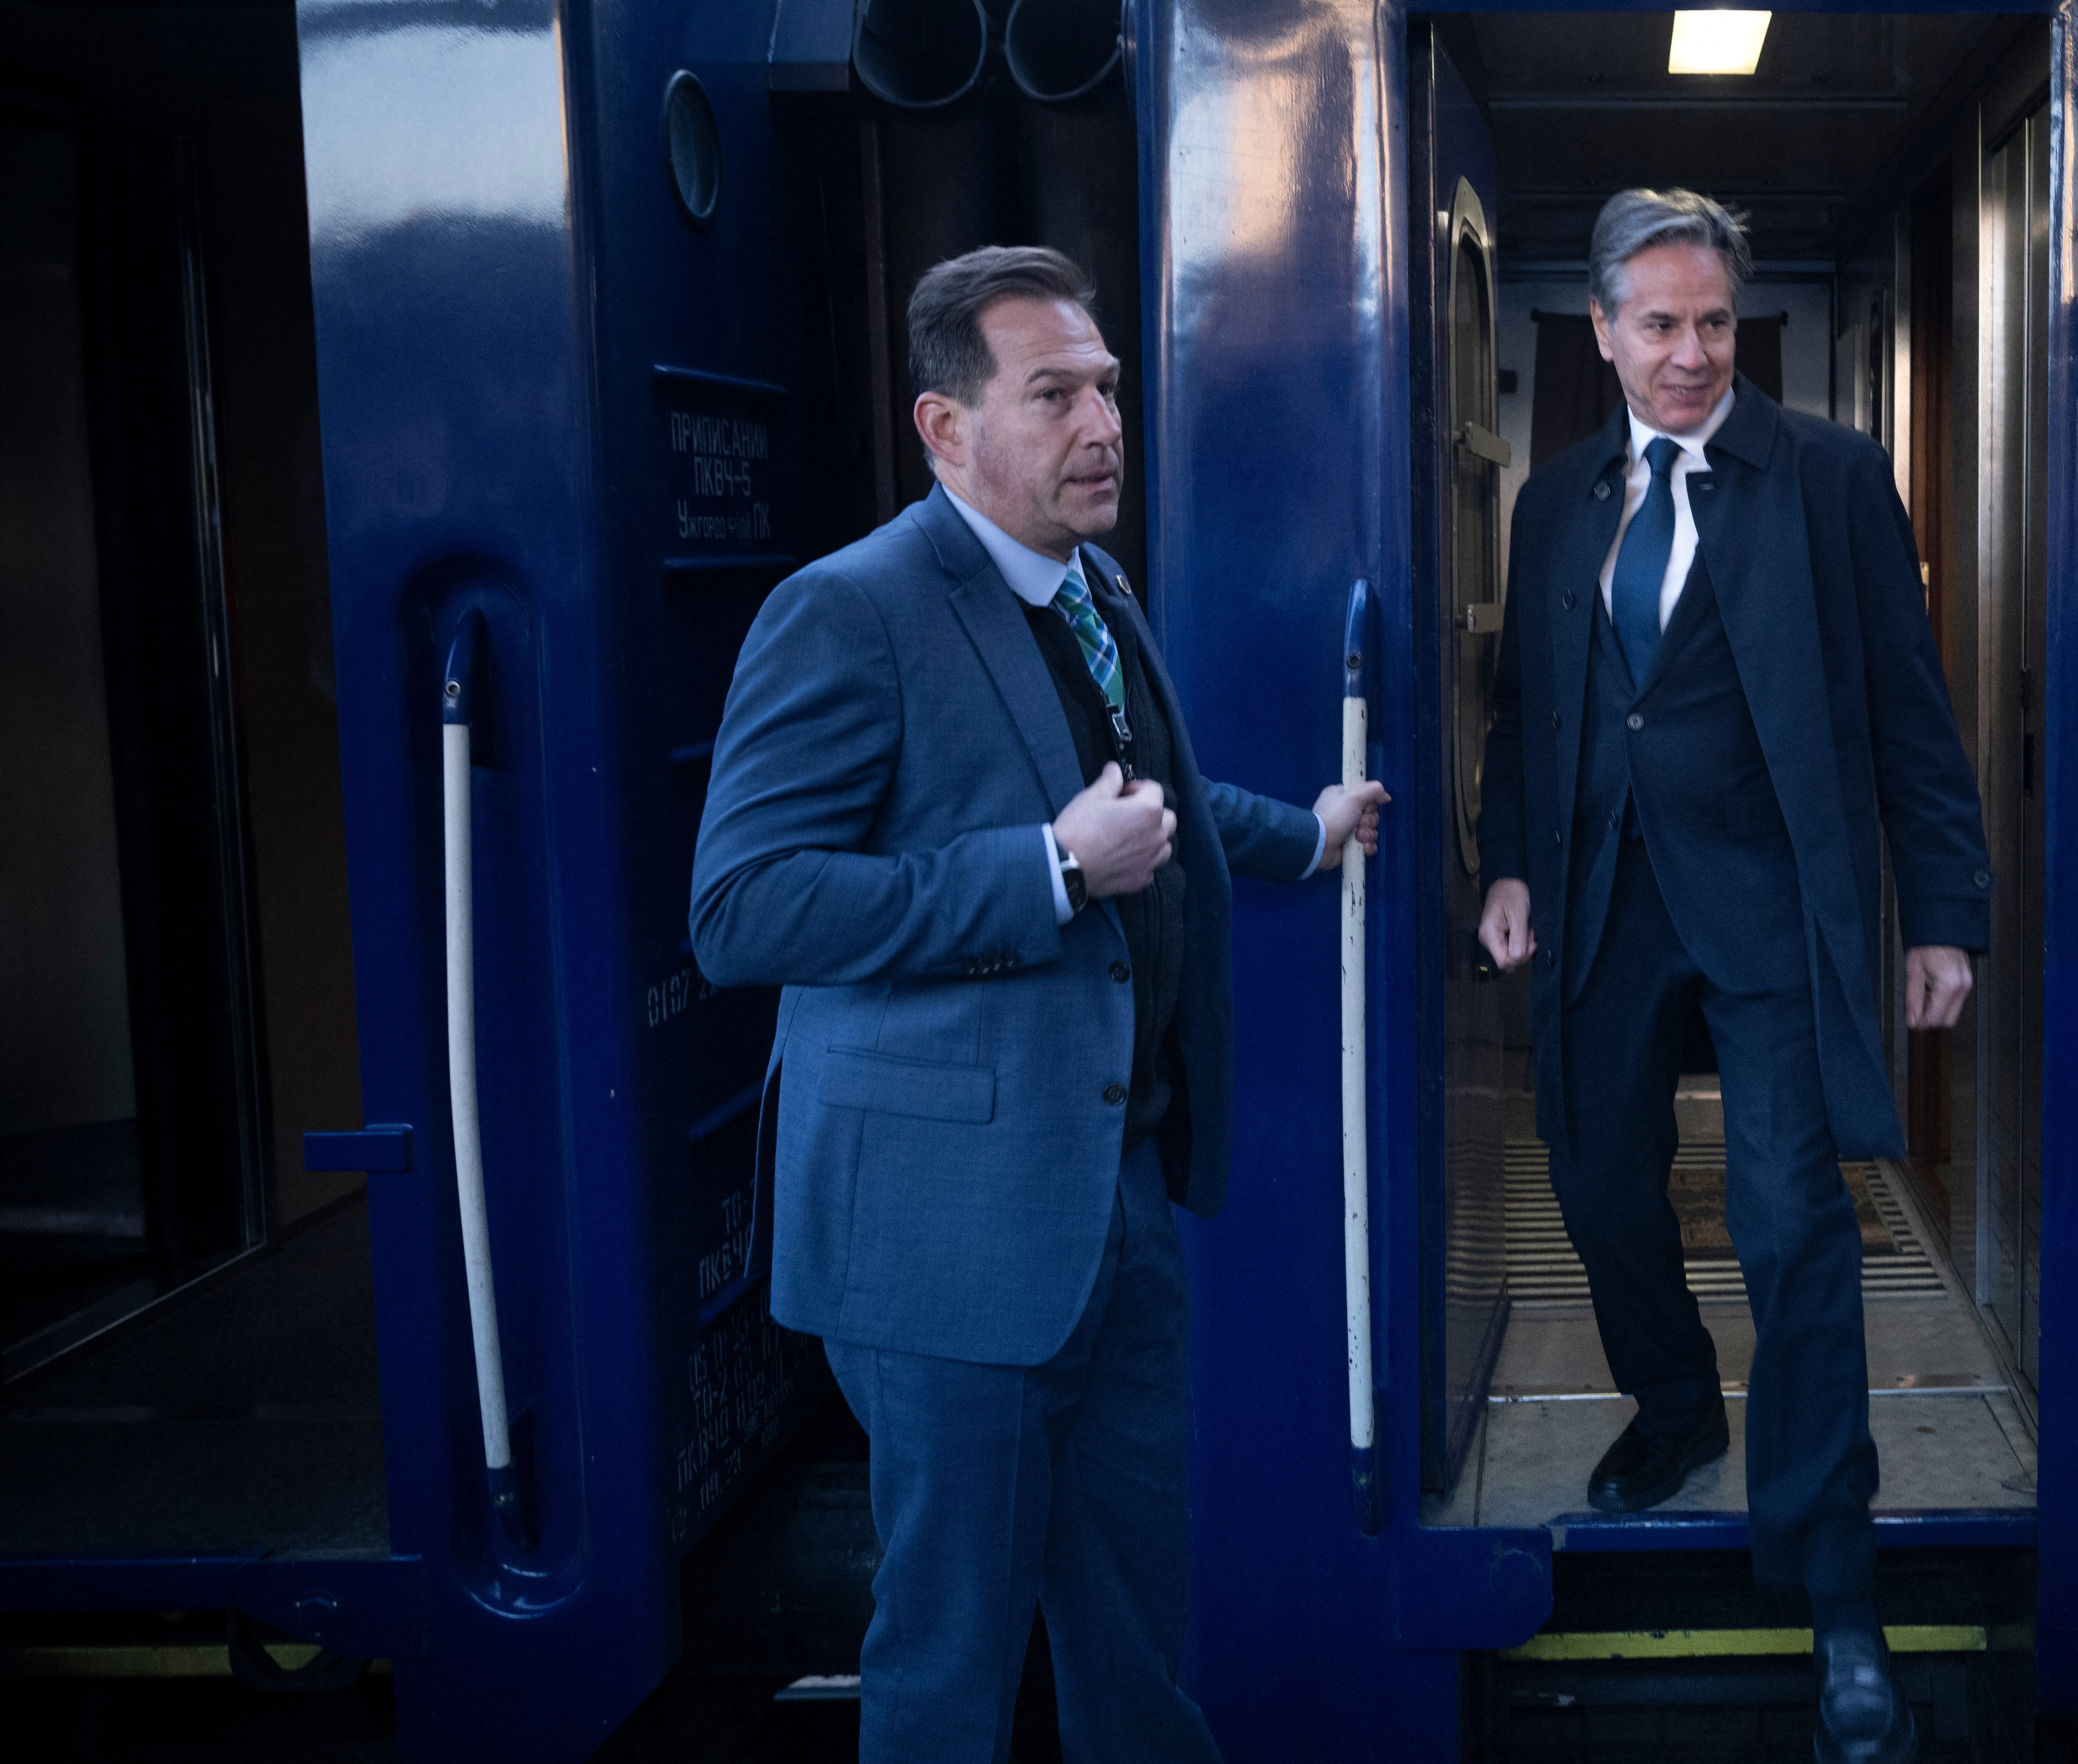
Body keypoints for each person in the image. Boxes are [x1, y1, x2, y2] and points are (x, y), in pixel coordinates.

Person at [690, 245, 1387, 1762]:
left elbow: (1162, 801)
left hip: (1116, 1203)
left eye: (1109, 390)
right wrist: (1048, 872)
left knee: (1134, 1636)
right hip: (947, 1237)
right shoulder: (848, 611)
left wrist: (1308, 835)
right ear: (945, 428)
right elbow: (742, 909)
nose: (1103, 426)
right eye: (1055, 394)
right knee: (951, 1660)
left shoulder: (1089, 586)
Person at [1474, 189, 1988, 1764]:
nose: (1692, 353)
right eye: (1660, 325)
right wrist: (1504, 861)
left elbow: (1909, 709)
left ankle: (1838, 1589)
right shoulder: (1557, 499)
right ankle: (1678, 1406)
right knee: (1597, 1177)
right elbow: (1527, 709)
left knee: (1788, 1217)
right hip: (1605, 898)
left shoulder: (1829, 478)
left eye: (1714, 324)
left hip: (1778, 910)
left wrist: (1942, 913)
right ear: (1602, 333)